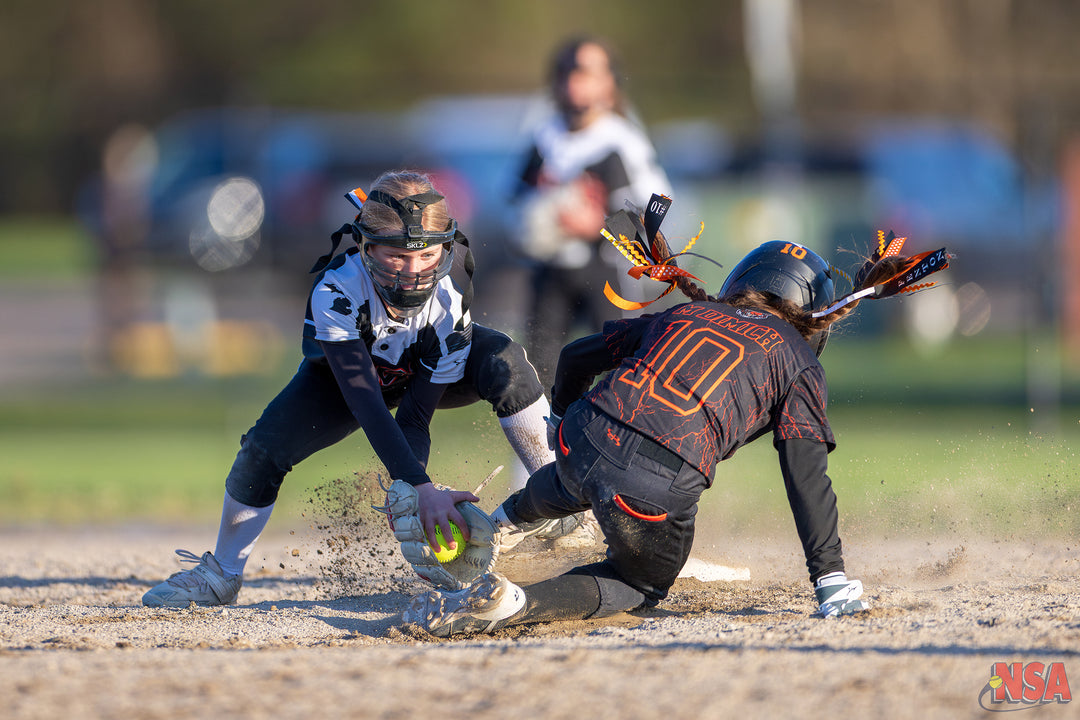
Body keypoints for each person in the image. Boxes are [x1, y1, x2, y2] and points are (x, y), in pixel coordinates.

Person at [401, 207, 951, 637]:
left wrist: (564, 421)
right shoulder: (798, 360)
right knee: (639, 582)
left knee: (580, 469)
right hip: (655, 482)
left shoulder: (685, 313)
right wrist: (830, 579)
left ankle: (497, 525)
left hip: (583, 436)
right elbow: (805, 476)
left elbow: (575, 359)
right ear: (812, 317)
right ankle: (517, 603)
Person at [143, 170, 575, 607]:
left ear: (446, 247)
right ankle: (222, 573)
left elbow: (414, 416)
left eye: (426, 255)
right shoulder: (336, 290)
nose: (413, 272)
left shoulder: (451, 297)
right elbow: (367, 404)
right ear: (365, 247)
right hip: (347, 383)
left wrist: (413, 485)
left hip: (421, 375)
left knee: (505, 361)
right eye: (396, 256)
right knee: (261, 448)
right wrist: (417, 487)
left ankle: (561, 496)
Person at [512, 35, 672, 389]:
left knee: (622, 366)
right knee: (538, 369)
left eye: (585, 71)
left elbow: (657, 207)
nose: (574, 81)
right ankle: (540, 442)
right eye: (566, 71)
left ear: (608, 81)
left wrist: (598, 224)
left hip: (608, 273)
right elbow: (514, 201)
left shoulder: (621, 140)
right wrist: (536, 217)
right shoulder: (545, 137)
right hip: (552, 271)